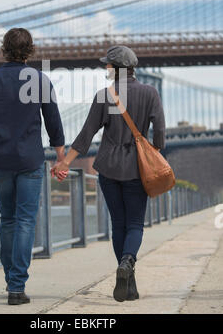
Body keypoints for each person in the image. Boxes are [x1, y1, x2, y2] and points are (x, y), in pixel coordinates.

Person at [52, 45, 166, 303]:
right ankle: (127, 263)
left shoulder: (105, 95)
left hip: (109, 168)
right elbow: (159, 133)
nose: (105, 68)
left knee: (119, 224)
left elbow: (85, 135)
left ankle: (129, 281)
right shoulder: (150, 93)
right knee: (135, 224)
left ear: (114, 68)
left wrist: (65, 163)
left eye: (108, 64)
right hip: (138, 168)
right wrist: (153, 155)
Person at [0, 28, 66, 305]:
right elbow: (54, 123)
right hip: (30, 161)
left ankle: (11, 279)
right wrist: (61, 158)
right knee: (25, 221)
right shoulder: (39, 80)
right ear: (30, 50)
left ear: (4, 48)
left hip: (0, 161)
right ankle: (16, 287)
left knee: (8, 220)